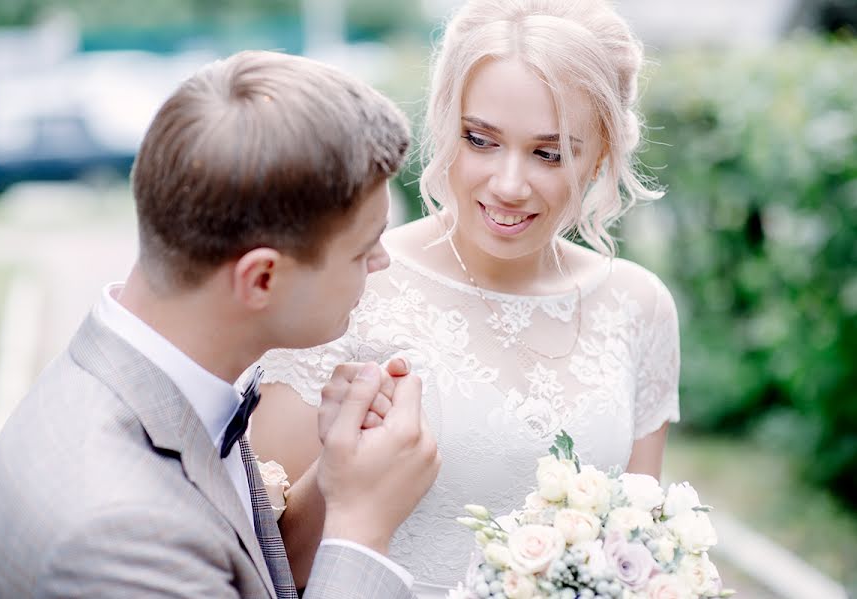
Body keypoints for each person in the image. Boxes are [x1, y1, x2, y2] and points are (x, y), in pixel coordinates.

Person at [0, 50, 440, 598]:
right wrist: (361, 529)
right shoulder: (117, 539)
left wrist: (338, 479)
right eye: (361, 249)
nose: (382, 260)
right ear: (261, 279)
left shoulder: (140, 381)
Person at [248, 0, 681, 596]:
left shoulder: (639, 306)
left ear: (601, 153)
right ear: (445, 123)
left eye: (549, 153)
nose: (508, 185)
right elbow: (266, 571)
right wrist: (341, 466)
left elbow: (637, 552)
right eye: (480, 140)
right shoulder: (347, 290)